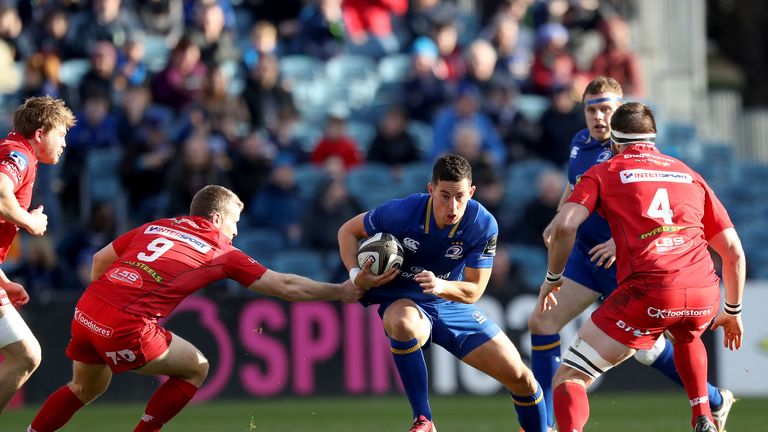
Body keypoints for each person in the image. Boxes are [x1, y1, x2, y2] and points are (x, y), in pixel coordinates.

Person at [28, 185, 363, 431]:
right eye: (234, 222)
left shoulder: (157, 225)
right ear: (216, 218)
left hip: (86, 310)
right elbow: (287, 285)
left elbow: (100, 259)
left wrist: (108, 303)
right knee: (197, 367)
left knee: (85, 387)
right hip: (126, 326)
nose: (235, 231)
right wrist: (340, 292)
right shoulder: (219, 249)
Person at [527, 77, 736, 431]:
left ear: (620, 110)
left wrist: (616, 241)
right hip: (584, 256)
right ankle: (544, 422)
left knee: (648, 350)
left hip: (627, 261)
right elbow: (575, 184)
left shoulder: (628, 149)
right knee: (542, 322)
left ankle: (712, 399)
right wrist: (559, 215)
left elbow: (653, 205)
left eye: (606, 109)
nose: (598, 117)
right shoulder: (580, 143)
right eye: (591, 109)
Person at [338, 154, 548, 432]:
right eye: (445, 196)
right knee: (402, 323)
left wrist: (440, 285)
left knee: (523, 379)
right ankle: (424, 420)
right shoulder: (402, 213)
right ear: (431, 190)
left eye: (460, 196)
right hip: (404, 299)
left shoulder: (483, 224)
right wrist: (356, 276)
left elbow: (474, 289)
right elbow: (348, 231)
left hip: (449, 302)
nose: (453, 206)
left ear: (471, 192)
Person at [0, 96, 76, 413]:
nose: (64, 144)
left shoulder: (17, 151)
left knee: (26, 354)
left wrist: (3, 281)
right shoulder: (19, 154)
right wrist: (30, 220)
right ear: (41, 133)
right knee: (26, 354)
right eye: (61, 134)